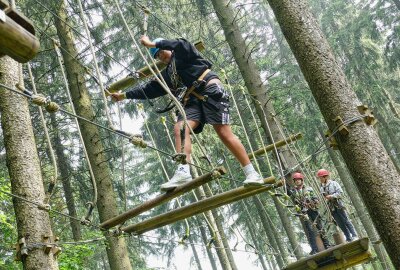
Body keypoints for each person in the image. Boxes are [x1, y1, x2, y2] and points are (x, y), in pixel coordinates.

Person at [111, 36, 263, 191]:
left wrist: (152, 43)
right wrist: (123, 96)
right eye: (157, 56)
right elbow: (151, 89)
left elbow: (180, 43)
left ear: (167, 47)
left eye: (161, 52)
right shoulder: (169, 73)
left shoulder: (183, 52)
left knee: (223, 132)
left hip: (209, 89)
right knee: (180, 128)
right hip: (192, 100)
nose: (160, 57)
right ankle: (183, 171)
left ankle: (252, 173)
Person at [289, 172, 331, 255]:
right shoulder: (294, 192)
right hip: (304, 212)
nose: (297, 181)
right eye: (296, 180)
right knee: (310, 230)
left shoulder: (309, 189)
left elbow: (315, 198)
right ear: (294, 182)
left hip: (313, 210)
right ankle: (314, 249)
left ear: (301, 180)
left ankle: (327, 244)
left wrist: (313, 202)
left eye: (298, 180)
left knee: (320, 227)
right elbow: (293, 200)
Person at [317, 169, 358, 242]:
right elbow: (323, 198)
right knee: (340, 223)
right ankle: (348, 237)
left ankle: (354, 235)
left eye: (320, 178)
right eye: (319, 178)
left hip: (338, 204)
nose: (320, 179)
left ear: (325, 177)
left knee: (345, 220)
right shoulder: (321, 188)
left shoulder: (334, 183)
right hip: (331, 207)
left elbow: (340, 193)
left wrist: (332, 196)